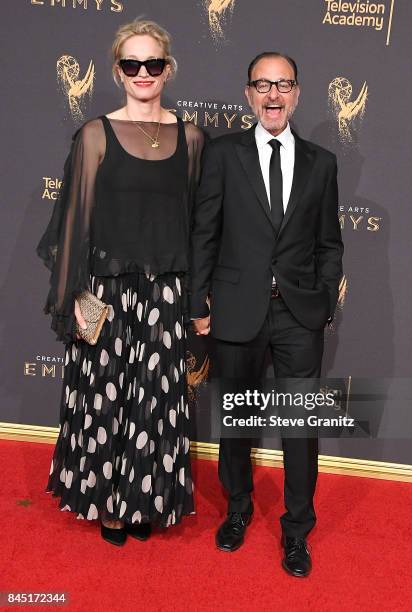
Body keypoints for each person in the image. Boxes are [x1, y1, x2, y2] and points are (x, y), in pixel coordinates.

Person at [37, 19, 204, 546]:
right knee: (104, 399)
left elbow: (201, 226)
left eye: (153, 64)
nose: (143, 73)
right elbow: (74, 224)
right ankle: (108, 504)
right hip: (105, 292)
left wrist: (200, 297)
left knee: (156, 401)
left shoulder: (193, 138)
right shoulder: (95, 134)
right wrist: (71, 307)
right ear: (117, 71)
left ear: (168, 69)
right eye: (132, 64)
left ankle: (143, 502)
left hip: (167, 293)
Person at [190, 52, 343, 577]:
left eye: (283, 85)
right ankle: (237, 510)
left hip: (299, 315)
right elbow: (204, 232)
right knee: (238, 422)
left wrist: (321, 300)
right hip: (235, 311)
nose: (273, 95)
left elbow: (330, 243)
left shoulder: (322, 163)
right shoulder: (223, 154)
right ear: (248, 94)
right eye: (263, 84)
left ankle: (297, 531)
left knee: (300, 428)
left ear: (298, 93)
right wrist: (197, 304)